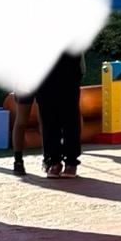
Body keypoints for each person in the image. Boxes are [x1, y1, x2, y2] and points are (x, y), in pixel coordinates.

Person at [33, 51, 84, 179]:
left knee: (69, 118)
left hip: (66, 73)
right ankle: (54, 161)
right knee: (48, 119)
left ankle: (70, 162)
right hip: (44, 75)